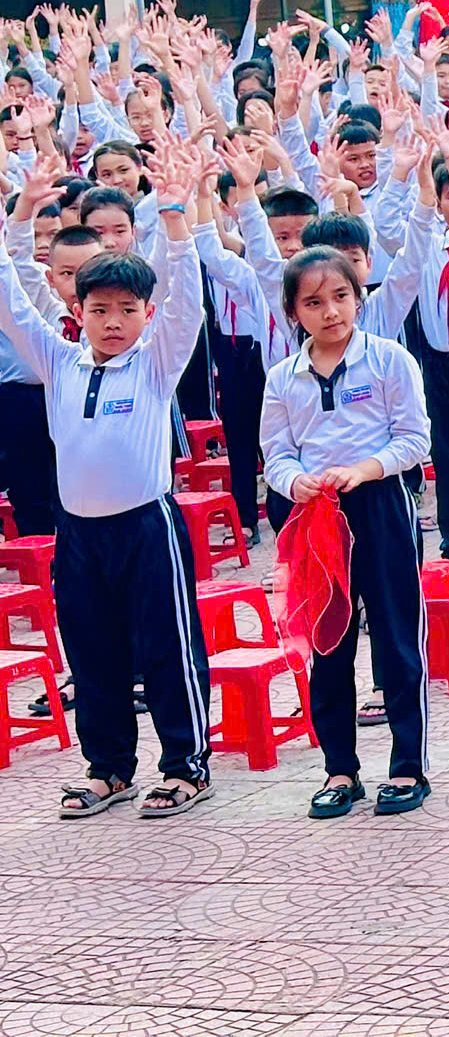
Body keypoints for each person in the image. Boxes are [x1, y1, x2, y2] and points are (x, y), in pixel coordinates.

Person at [0, 146, 209, 818]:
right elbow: (12, 304)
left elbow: (188, 305)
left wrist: (174, 215)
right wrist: (20, 214)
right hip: (79, 535)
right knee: (92, 652)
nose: (113, 321)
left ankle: (186, 766)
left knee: (167, 647)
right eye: (99, 310)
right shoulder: (59, 361)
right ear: (78, 310)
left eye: (126, 309)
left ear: (147, 313)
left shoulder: (155, 362)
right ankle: (109, 768)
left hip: (147, 526)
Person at [259, 246, 435, 817]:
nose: (330, 311)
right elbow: (276, 453)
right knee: (327, 644)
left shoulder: (388, 360)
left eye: (340, 297)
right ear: (294, 312)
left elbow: (415, 439)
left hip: (380, 505)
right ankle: (340, 770)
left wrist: (365, 469)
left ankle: (407, 766)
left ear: (359, 298)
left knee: (397, 636)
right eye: (313, 302)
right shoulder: (283, 377)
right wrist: (295, 481)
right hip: (317, 518)